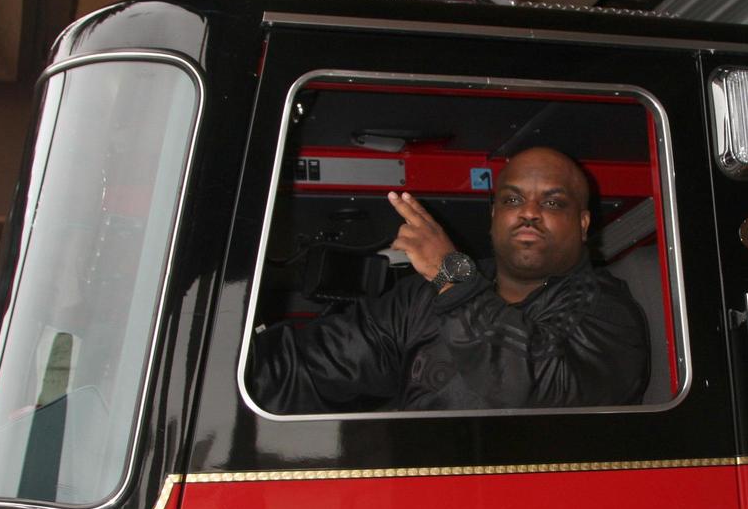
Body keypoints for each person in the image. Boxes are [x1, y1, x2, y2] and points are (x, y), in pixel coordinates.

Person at [248, 147, 650, 412]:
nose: (528, 212)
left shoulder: (608, 311)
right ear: (493, 217)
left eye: (552, 202)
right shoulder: (426, 296)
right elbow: (321, 361)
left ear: (582, 224)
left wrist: (451, 277)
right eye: (512, 200)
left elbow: (537, 395)